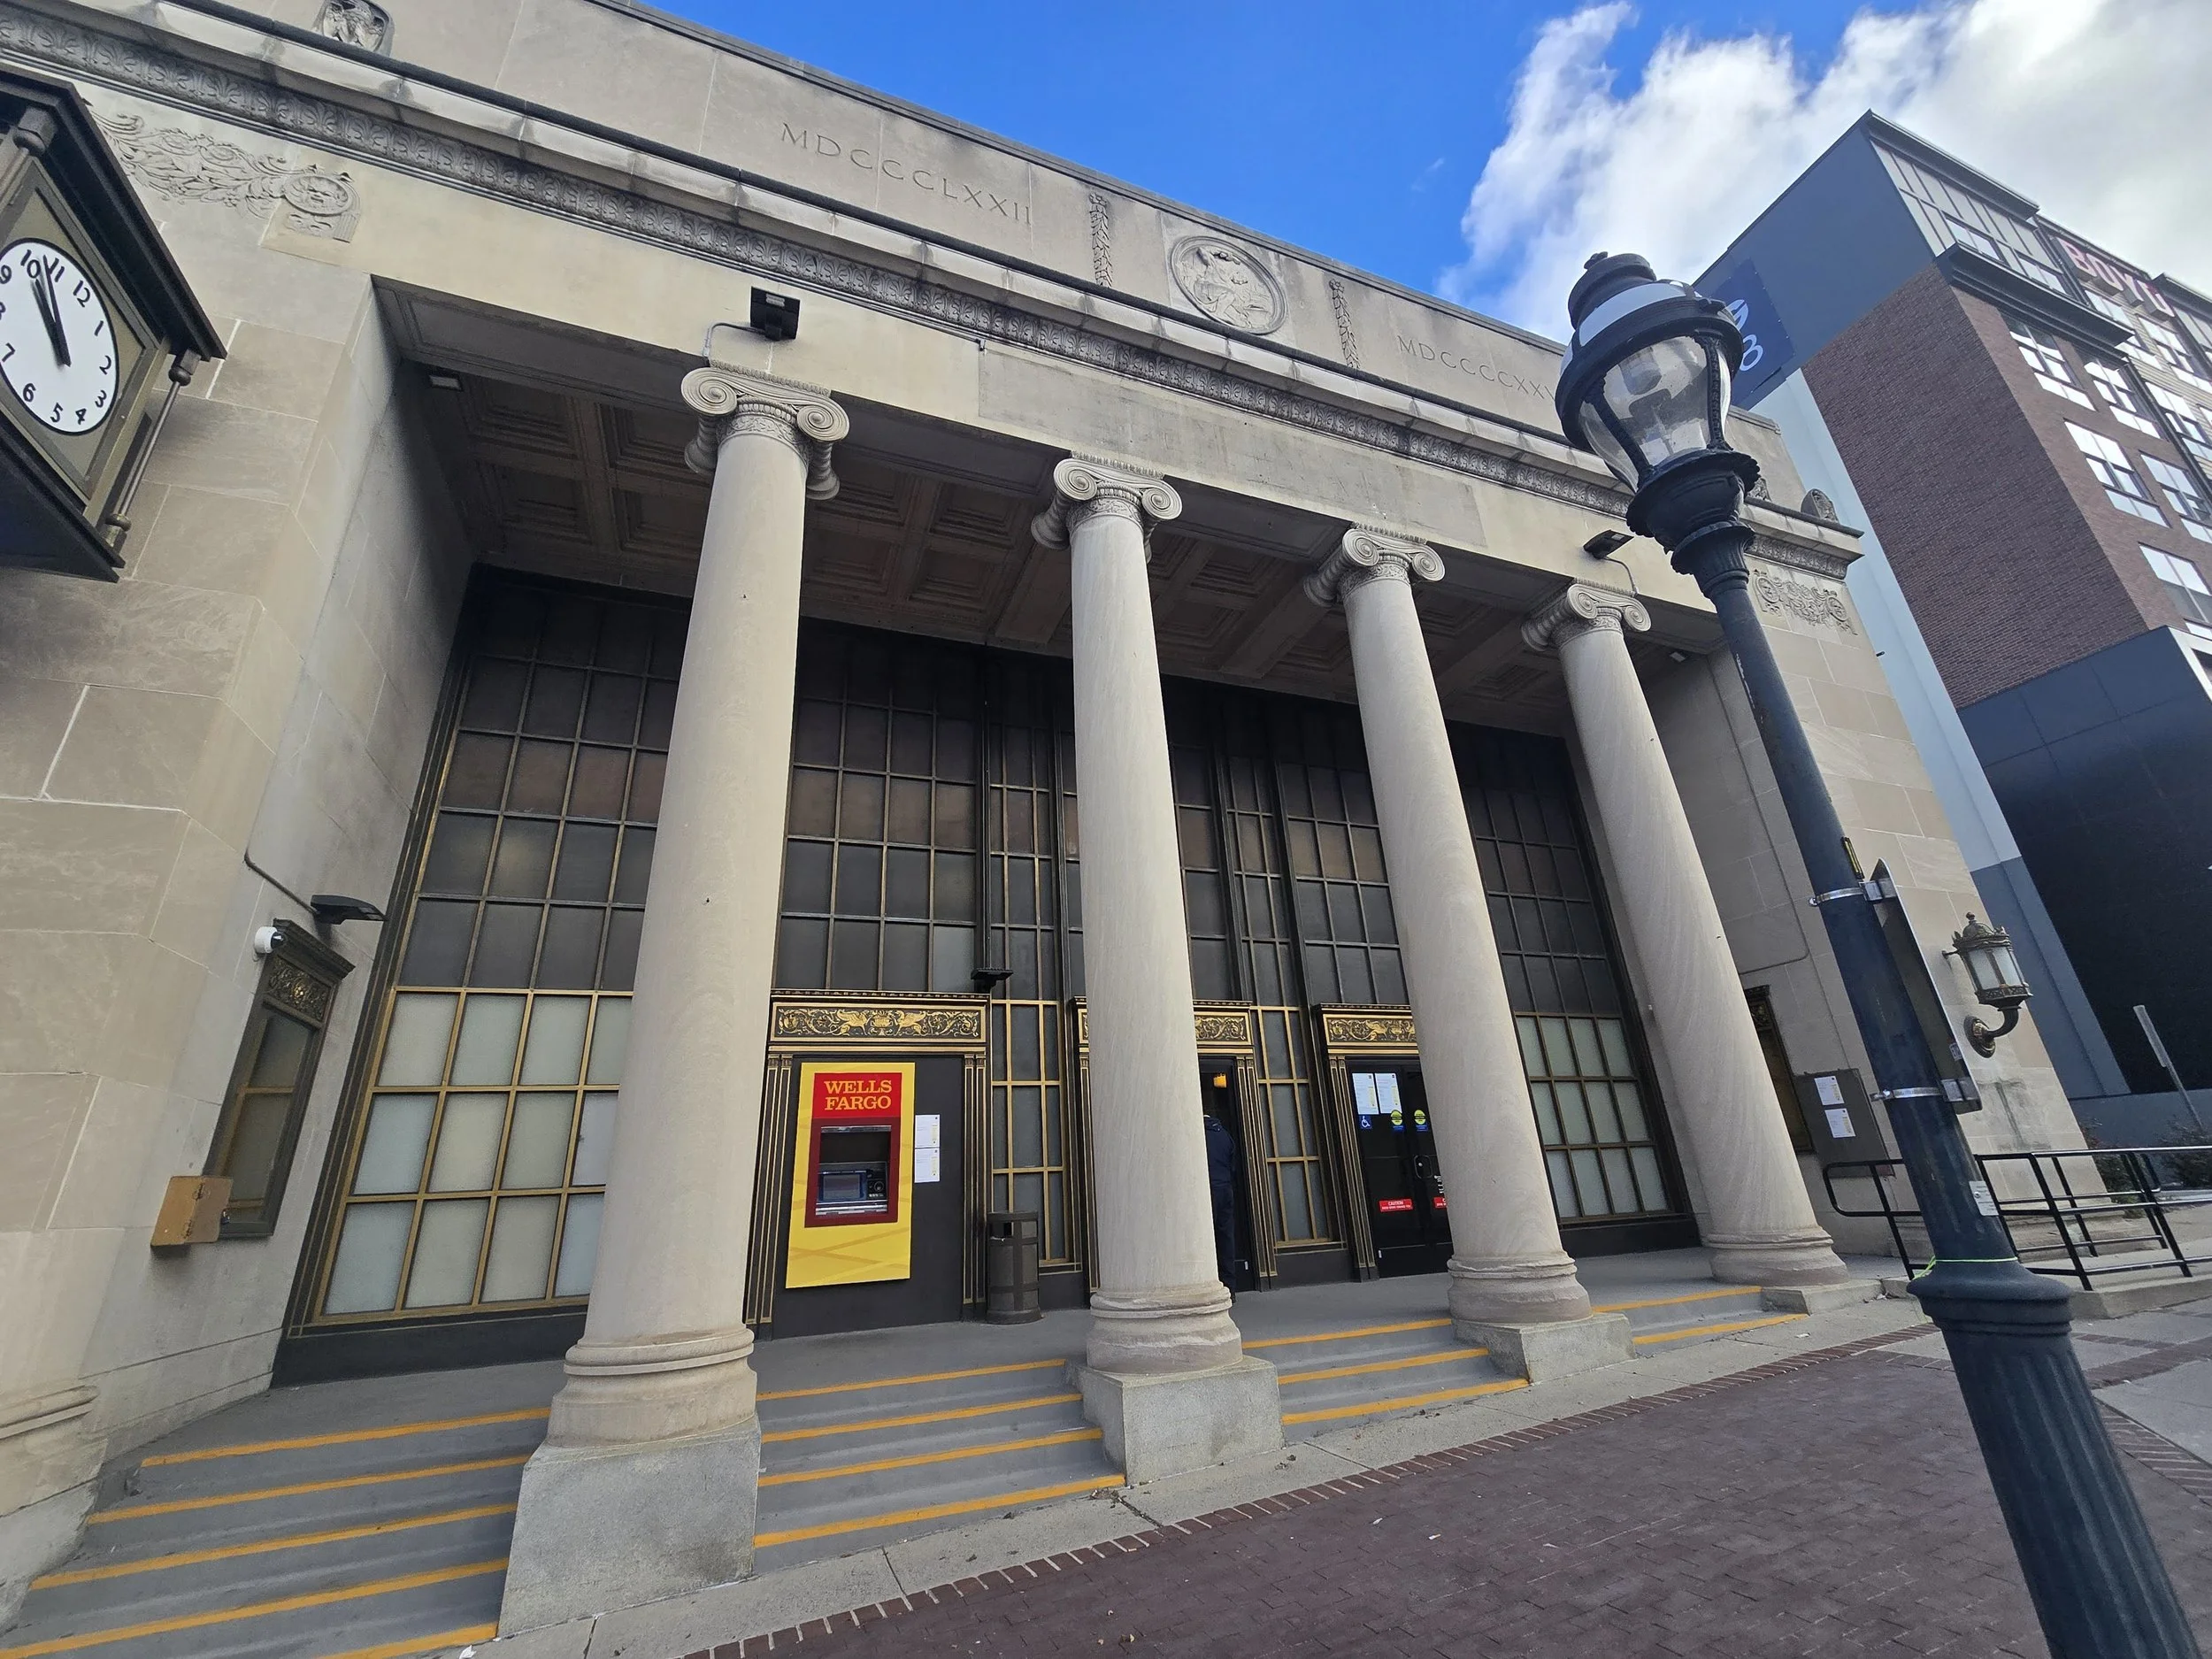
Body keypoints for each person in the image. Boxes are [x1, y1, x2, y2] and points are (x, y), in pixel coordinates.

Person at [1202, 1110, 1240, 1298]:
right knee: (1225, 1237)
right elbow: (1232, 1165)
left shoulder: (1197, 1136)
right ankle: (1230, 1288)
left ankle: (1204, 1283)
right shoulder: (1225, 1135)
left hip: (1205, 1190)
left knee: (1202, 1239)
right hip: (1225, 1189)